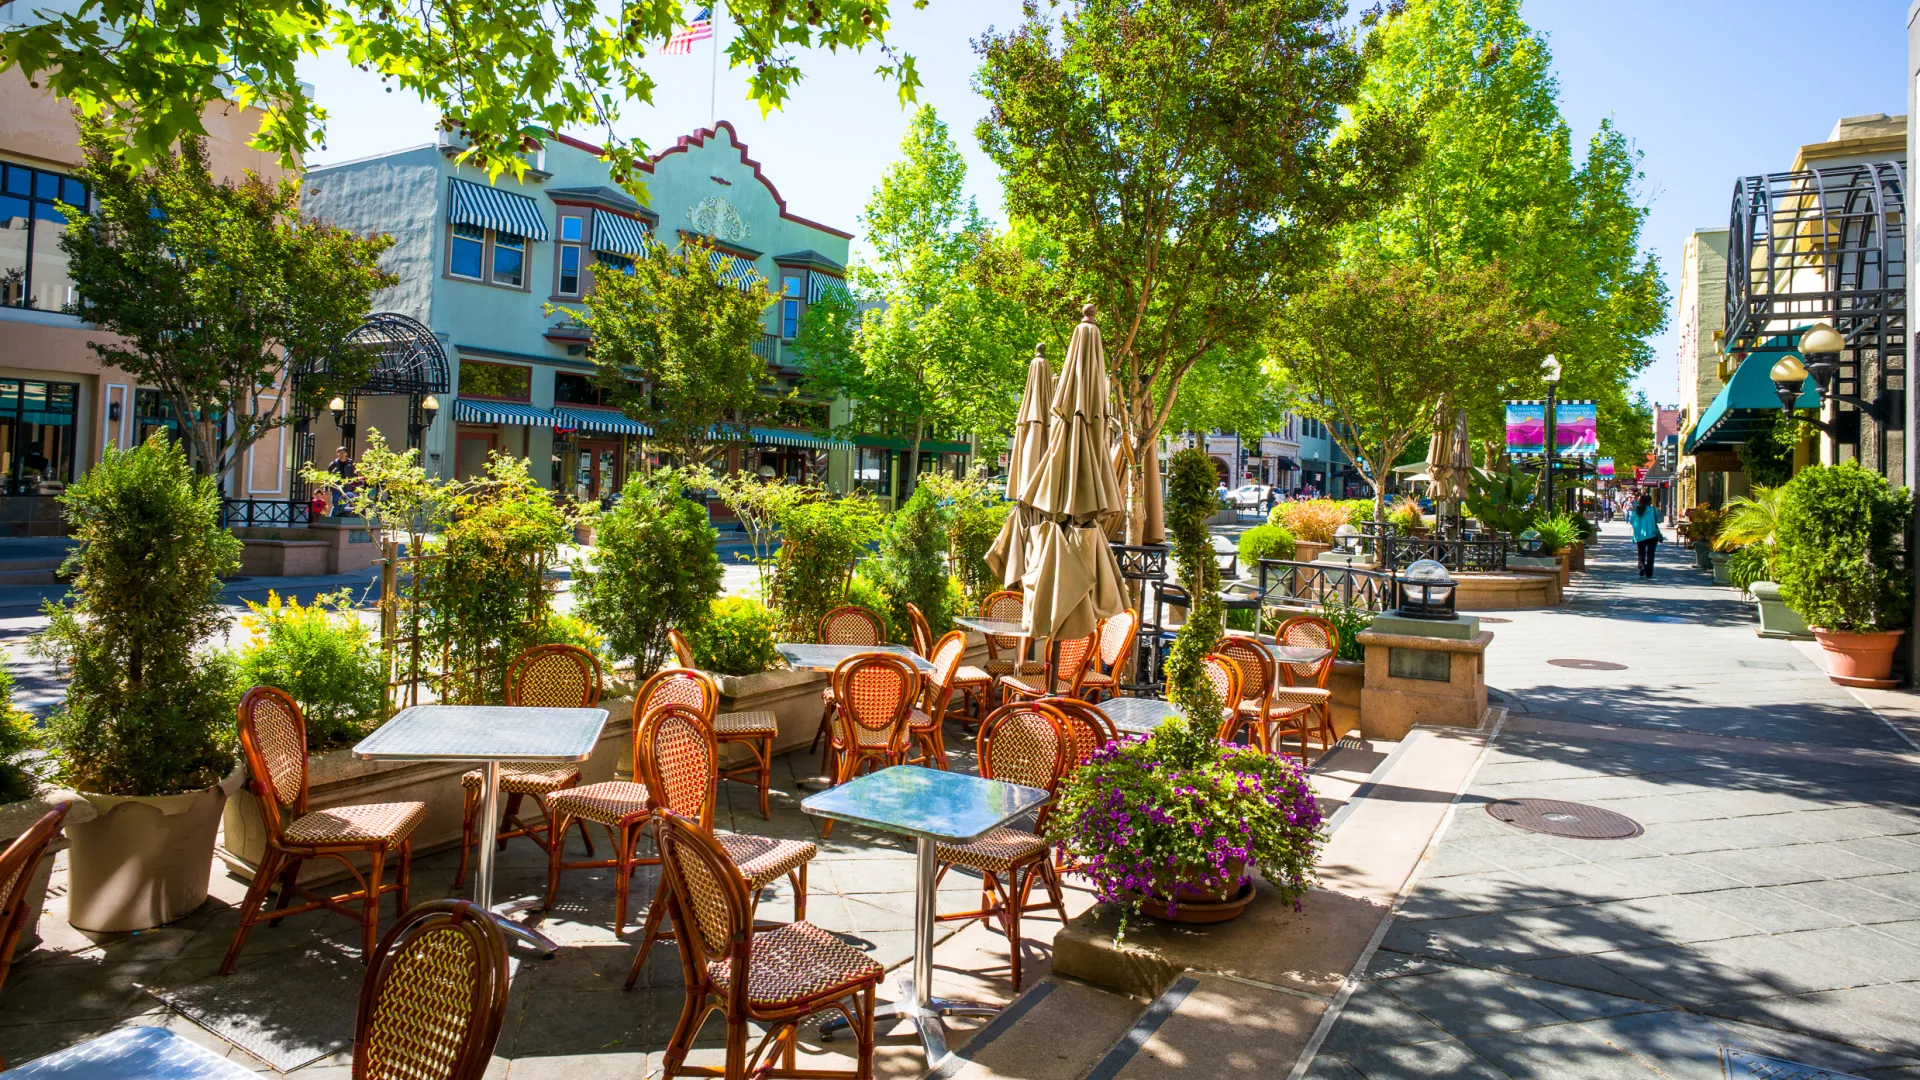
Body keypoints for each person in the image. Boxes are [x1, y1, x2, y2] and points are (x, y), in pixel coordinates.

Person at [1629, 492, 1661, 579]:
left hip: (1639, 535)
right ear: (1649, 502)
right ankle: (1649, 572)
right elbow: (1659, 520)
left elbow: (1631, 521)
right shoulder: (1654, 510)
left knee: (1641, 552)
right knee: (1651, 554)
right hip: (1652, 534)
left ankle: (1641, 566)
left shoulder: (1636, 511)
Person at [326, 446, 356, 517]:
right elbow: (328, 477)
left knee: (345, 504)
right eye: (340, 452)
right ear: (337, 454)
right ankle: (332, 520)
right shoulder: (333, 464)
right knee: (336, 504)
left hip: (347, 487)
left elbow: (355, 475)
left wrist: (354, 486)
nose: (342, 454)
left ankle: (342, 519)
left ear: (346, 453)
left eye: (343, 452)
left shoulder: (351, 463)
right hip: (337, 487)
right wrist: (326, 489)